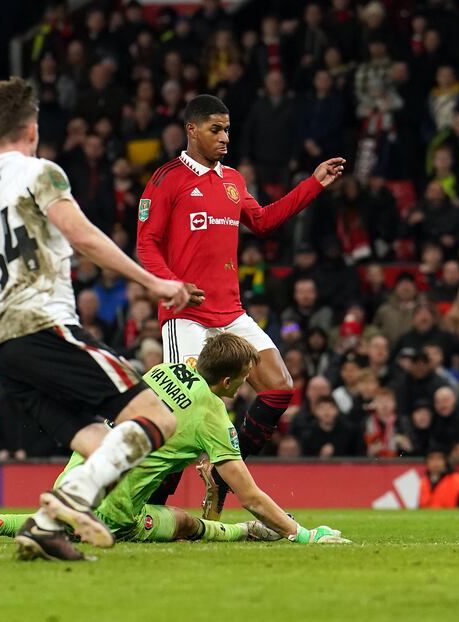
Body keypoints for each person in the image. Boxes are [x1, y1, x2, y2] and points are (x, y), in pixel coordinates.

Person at [0, 78, 188, 562]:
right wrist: (152, 282)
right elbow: (84, 236)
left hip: (4, 351)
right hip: (45, 325)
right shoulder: (40, 173)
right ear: (32, 130)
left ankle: (44, 529)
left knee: (102, 446)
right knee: (157, 417)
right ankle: (64, 507)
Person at [135, 94, 345, 518]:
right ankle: (151, 499)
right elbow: (146, 245)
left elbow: (264, 221)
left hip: (231, 312)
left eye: (228, 129)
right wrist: (174, 285)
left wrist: (313, 184)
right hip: (186, 316)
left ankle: (221, 474)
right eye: (216, 129)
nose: (225, 137)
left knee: (280, 386)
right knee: (186, 408)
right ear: (192, 130)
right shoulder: (166, 179)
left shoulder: (232, 180)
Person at [0, 333, 347, 546]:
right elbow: (249, 492)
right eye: (242, 378)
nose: (245, 385)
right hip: (115, 507)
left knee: (69, 514)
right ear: (224, 379)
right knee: (182, 524)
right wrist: (303, 533)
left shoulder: (164, 370)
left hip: (77, 470)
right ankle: (254, 533)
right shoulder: (213, 412)